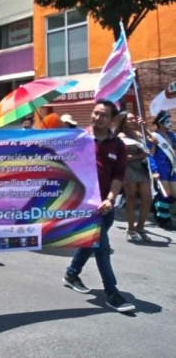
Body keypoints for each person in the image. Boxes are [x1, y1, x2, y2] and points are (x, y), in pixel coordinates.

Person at [62, 99, 135, 312]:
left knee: (90, 243)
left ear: (112, 120)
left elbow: (117, 175)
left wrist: (110, 199)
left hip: (106, 205)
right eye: (95, 113)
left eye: (103, 115)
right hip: (84, 205)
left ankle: (72, 273)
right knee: (102, 247)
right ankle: (112, 293)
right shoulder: (79, 140)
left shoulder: (118, 145)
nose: (97, 118)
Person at [115, 112, 154, 241]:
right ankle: (130, 229)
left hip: (142, 168)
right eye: (130, 119)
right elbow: (122, 158)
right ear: (123, 121)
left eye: (134, 118)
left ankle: (140, 227)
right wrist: (140, 156)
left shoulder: (139, 133)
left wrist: (146, 128)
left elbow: (155, 142)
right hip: (129, 168)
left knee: (147, 199)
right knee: (131, 198)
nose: (134, 120)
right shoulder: (121, 137)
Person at [148, 110, 176, 230]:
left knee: (174, 194)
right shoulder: (154, 136)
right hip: (161, 167)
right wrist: (154, 170)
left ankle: (156, 205)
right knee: (166, 193)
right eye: (167, 120)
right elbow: (150, 154)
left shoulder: (171, 135)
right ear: (160, 122)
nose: (170, 122)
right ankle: (163, 218)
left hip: (172, 166)